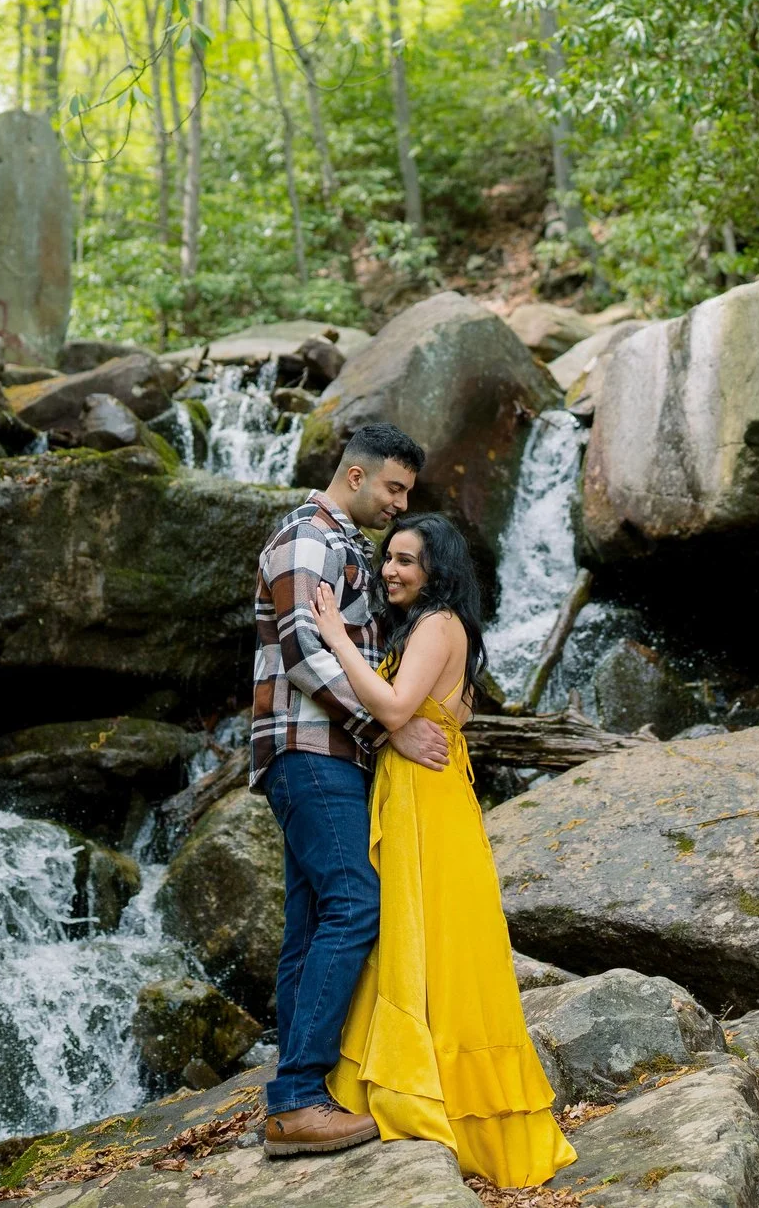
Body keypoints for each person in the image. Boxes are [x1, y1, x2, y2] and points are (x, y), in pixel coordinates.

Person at [307, 512, 578, 1186]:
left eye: (406, 561)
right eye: (388, 558)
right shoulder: (438, 627)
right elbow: (432, 717)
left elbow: (398, 707)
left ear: (438, 570)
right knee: (422, 937)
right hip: (424, 796)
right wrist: (399, 730)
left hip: (428, 807)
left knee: (435, 940)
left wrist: (337, 638)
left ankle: (442, 1099)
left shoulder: (438, 624)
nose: (391, 570)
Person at [252, 421, 454, 1158]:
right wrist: (386, 727)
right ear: (358, 475)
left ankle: (298, 1092)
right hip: (313, 750)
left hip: (325, 752)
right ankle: (299, 1097)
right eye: (395, 487)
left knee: (309, 922)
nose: (402, 504)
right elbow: (305, 648)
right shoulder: (310, 534)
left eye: (409, 491)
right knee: (355, 902)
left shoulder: (349, 548)